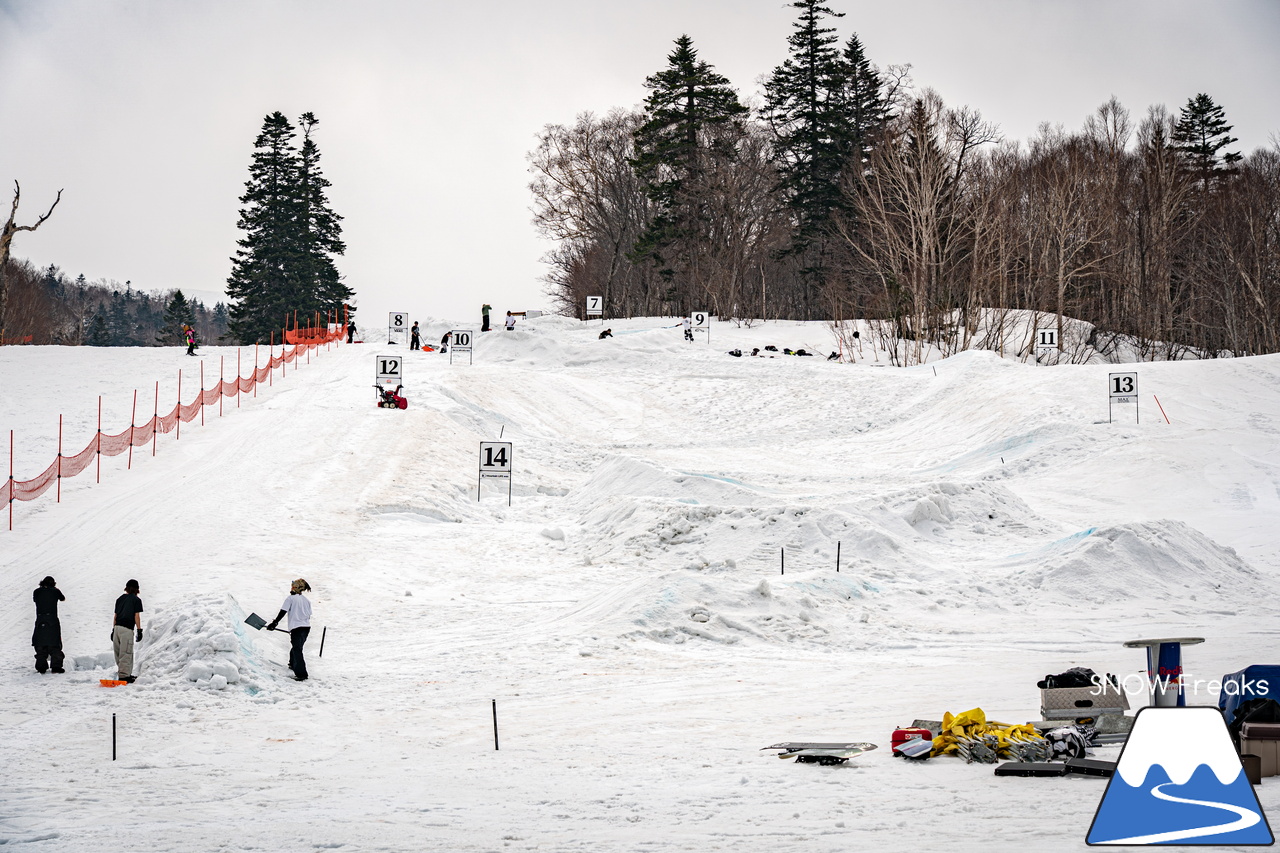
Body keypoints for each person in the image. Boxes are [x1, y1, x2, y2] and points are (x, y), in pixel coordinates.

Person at [267, 578, 313, 681]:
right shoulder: (307, 601)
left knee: (297, 649)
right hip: (306, 628)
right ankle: (292, 664)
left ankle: (302, 674)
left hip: (297, 628)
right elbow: (308, 615)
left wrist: (274, 623)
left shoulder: (290, 599)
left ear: (296, 588)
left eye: (293, 585)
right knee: (297, 646)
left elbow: (283, 611)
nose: (291, 587)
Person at [112, 579, 144, 683]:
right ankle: (124, 676)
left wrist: (113, 630)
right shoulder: (136, 600)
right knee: (126, 652)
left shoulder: (119, 599)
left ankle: (125, 673)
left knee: (118, 652)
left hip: (117, 628)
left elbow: (115, 616)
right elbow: (137, 616)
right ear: (137, 589)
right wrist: (139, 630)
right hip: (126, 629)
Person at [32, 576, 65, 674]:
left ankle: (41, 666)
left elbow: (35, 600)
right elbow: (62, 598)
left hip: (40, 620)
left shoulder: (37, 591)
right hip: (52, 620)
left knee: (40, 644)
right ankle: (56, 667)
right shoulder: (55, 591)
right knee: (54, 644)